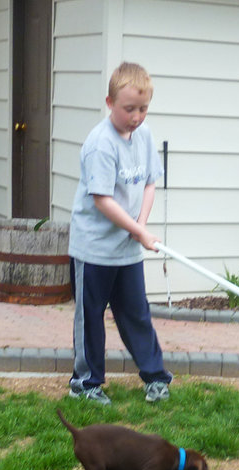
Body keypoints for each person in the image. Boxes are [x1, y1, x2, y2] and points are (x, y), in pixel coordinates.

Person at [67, 62, 172, 405]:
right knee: (90, 318)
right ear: (110, 103)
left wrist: (139, 227)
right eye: (129, 109)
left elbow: (150, 183)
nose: (137, 116)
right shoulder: (101, 144)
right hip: (93, 249)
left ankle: (155, 378)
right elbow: (102, 201)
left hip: (127, 246)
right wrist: (139, 230)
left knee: (135, 313)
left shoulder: (144, 135)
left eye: (143, 109)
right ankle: (86, 383)